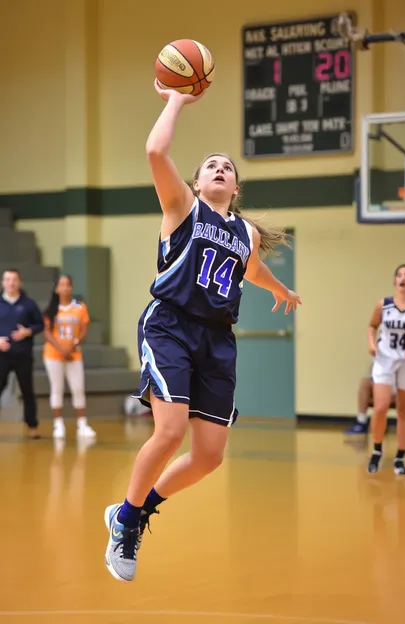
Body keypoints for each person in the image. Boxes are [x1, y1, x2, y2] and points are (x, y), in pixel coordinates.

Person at [104, 81, 302, 582]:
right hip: (170, 325)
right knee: (169, 432)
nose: (220, 168)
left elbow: (249, 269)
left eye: (228, 167)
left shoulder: (245, 232)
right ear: (195, 182)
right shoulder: (182, 208)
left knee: (210, 456)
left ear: (236, 189)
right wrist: (177, 98)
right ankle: (126, 522)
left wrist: (279, 287)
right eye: (211, 165)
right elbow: (154, 149)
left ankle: (137, 508)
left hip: (216, 339)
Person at [367, 264, 405, 475]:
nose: (402, 278)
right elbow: (372, 326)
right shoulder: (383, 305)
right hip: (385, 359)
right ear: (395, 280)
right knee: (380, 407)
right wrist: (371, 343)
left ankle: (399, 457)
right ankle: (377, 451)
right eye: (399, 275)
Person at [43, 275, 96, 440]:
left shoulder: (80, 308)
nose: (65, 287)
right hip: (53, 355)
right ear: (56, 288)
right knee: (57, 388)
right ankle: (58, 423)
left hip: (74, 354)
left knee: (78, 388)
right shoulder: (50, 310)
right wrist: (61, 349)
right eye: (62, 284)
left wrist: (72, 346)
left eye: (68, 284)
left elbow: (84, 330)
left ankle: (82, 423)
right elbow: (47, 333)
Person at [0, 268, 43, 438]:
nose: (11, 283)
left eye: (14, 279)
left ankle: (32, 427)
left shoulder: (29, 304)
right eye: (8, 279)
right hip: (2, 355)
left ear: (19, 282)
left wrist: (28, 331)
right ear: (3, 282)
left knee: (27, 391)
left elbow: (40, 324)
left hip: (23, 354)